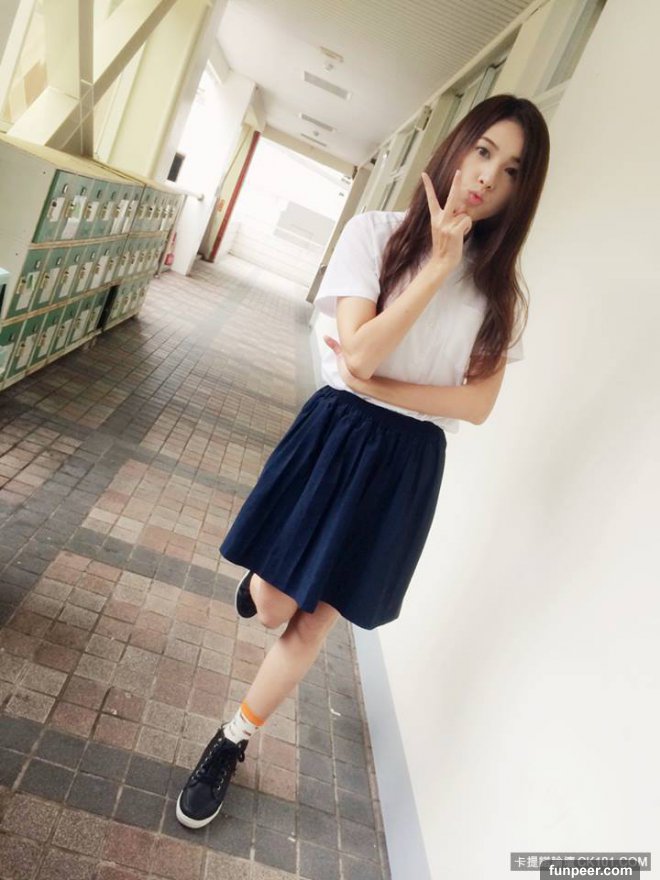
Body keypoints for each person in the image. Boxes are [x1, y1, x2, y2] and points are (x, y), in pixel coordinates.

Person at [176, 93, 550, 829]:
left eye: (510, 170)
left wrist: (379, 385)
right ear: (457, 146)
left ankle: (232, 739)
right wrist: (437, 267)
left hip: (406, 460)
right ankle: (261, 586)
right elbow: (362, 352)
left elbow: (475, 404)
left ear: (520, 191)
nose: (487, 177)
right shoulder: (375, 234)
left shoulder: (501, 293)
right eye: (483, 151)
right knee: (275, 606)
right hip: (338, 434)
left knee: (313, 624)